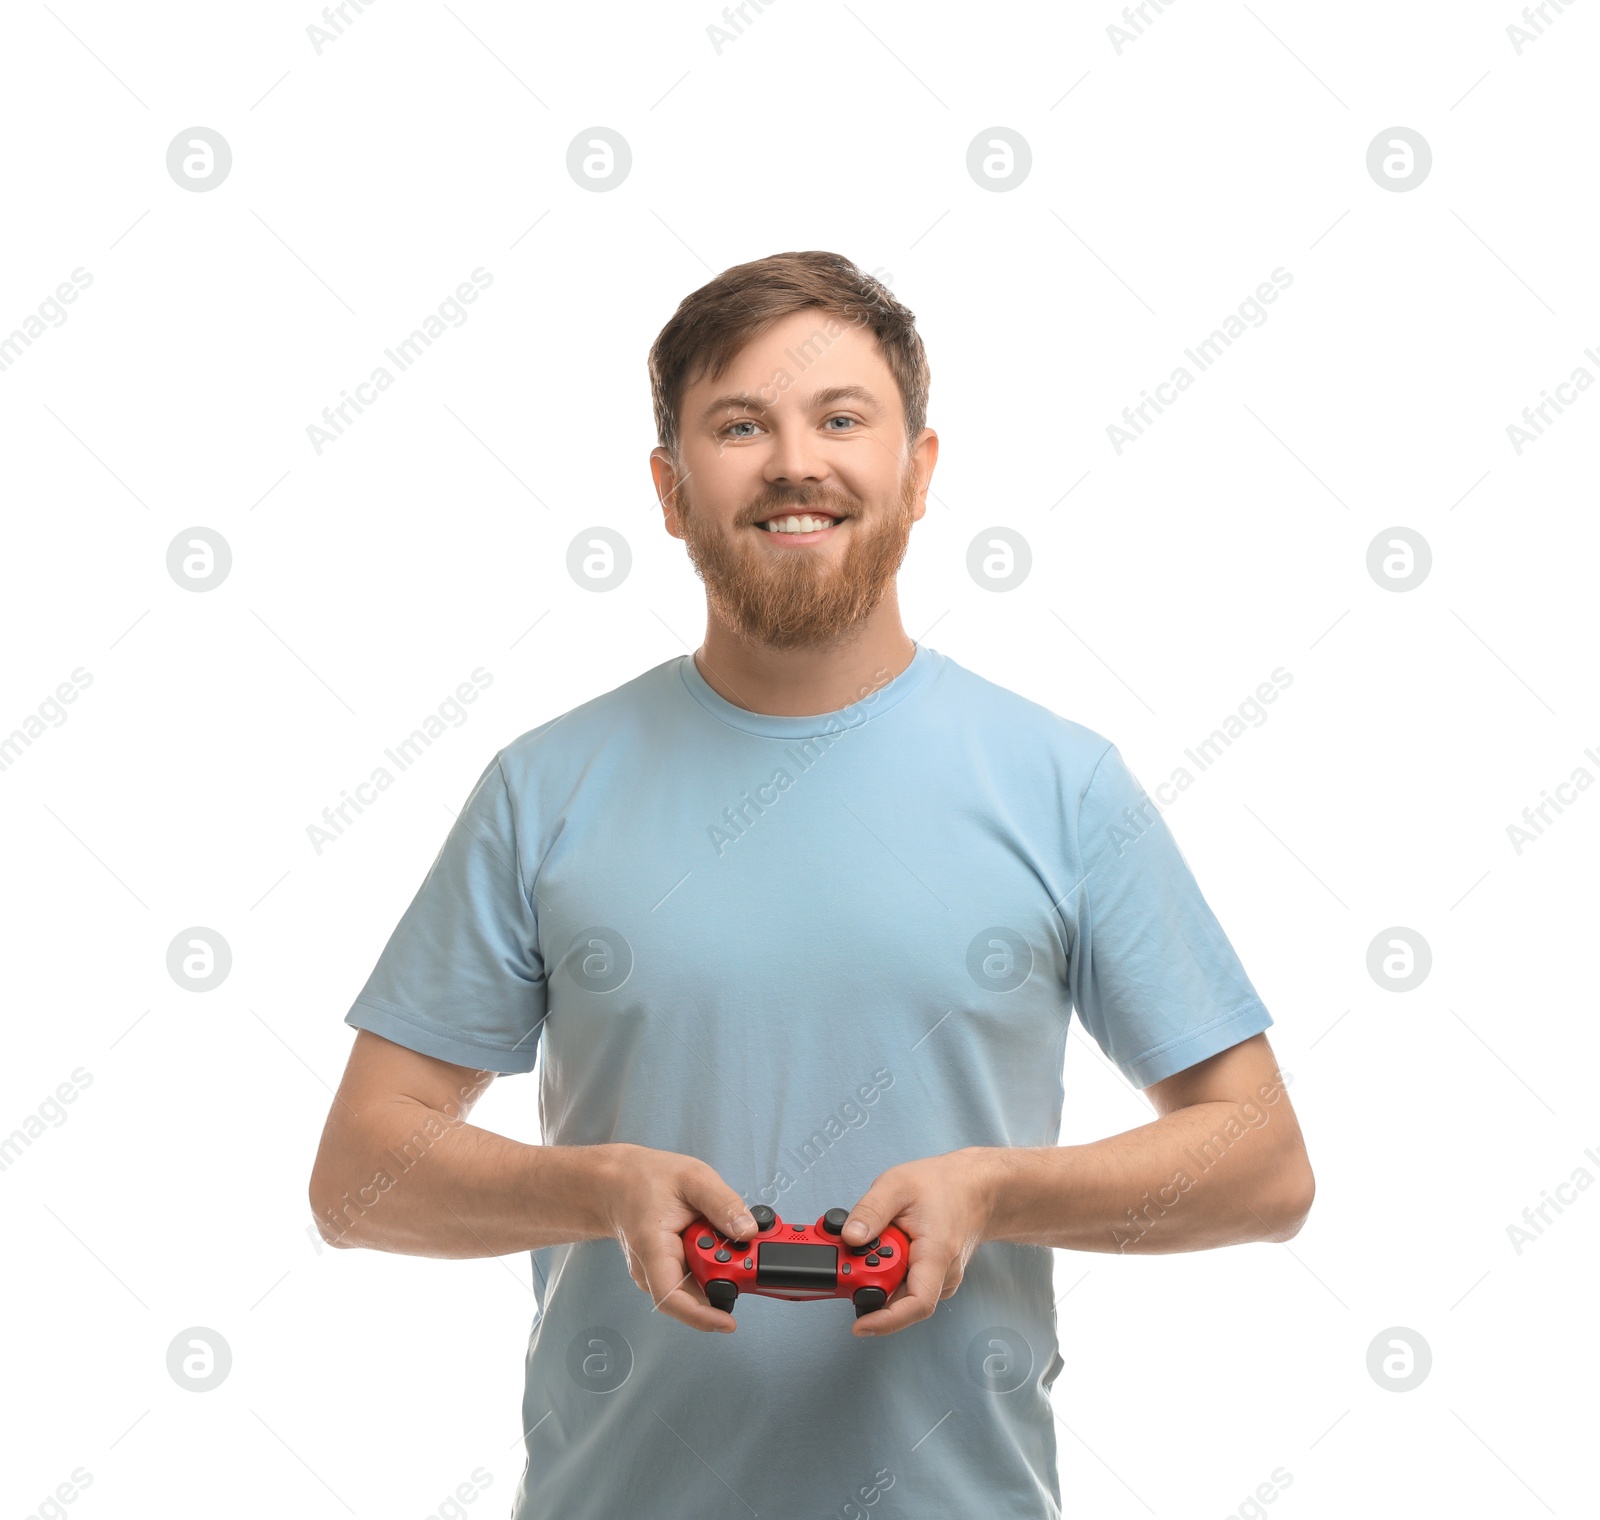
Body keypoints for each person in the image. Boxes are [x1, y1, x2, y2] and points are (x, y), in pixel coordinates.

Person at [308, 250, 1315, 1519]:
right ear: (671, 492)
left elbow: (1264, 1161)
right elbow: (358, 1172)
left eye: (842, 418)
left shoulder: (1063, 785)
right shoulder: (542, 788)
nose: (796, 461)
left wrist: (993, 1189)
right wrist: (598, 1187)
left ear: (920, 470)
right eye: (741, 425)